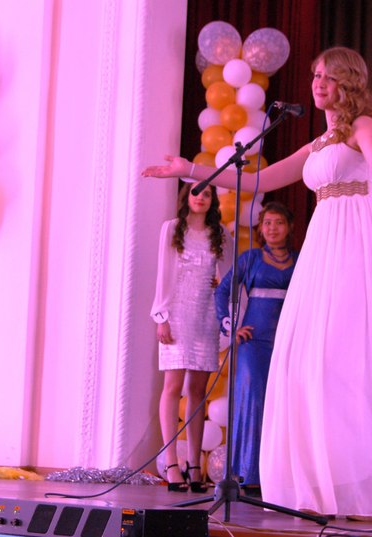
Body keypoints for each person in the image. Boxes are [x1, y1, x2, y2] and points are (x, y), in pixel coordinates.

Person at [143, 46, 372, 517]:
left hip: (351, 250)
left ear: (349, 82)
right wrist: (190, 170)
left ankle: (359, 487)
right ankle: (323, 483)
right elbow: (258, 181)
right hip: (320, 250)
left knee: (341, 361)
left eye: (328, 77)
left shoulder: (363, 127)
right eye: (315, 75)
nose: (318, 83)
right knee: (307, 364)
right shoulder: (319, 143)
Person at [151, 181, 233, 493]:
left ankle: (195, 465)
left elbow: (229, 274)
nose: (201, 197)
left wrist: (220, 287)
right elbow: (163, 273)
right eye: (196, 192)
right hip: (177, 314)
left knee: (198, 390)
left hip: (206, 315)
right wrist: (161, 315)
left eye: (208, 193)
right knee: (173, 387)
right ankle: (172, 463)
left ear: (213, 200)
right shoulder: (173, 228)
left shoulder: (220, 233)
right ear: (187, 197)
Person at [214, 201, 298, 495]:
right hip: (254, 343)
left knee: (284, 404)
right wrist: (229, 326)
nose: (273, 228)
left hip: (287, 342)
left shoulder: (300, 260)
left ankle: (279, 474)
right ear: (261, 228)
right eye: (267, 223)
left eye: (279, 222)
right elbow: (222, 290)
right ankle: (249, 473)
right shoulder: (250, 258)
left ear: (289, 227)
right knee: (253, 400)